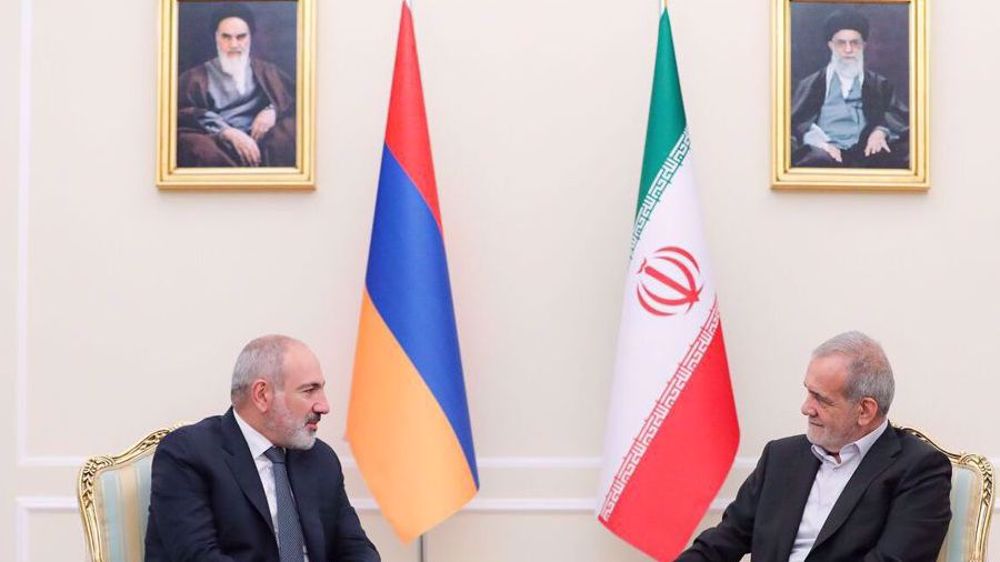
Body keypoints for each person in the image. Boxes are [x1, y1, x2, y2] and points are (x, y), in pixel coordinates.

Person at [677, 331, 951, 561]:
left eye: (822, 399)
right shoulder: (780, 458)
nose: (806, 408)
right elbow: (721, 543)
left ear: (865, 410)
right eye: (808, 391)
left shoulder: (919, 470)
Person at [145, 335, 380, 561]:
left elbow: (357, 549)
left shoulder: (320, 459)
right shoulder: (187, 454)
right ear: (262, 394)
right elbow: (197, 557)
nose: (324, 406)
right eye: (309, 391)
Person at [177, 4, 296, 168]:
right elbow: (182, 112)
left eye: (241, 37)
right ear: (216, 38)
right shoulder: (194, 77)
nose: (234, 44)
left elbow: (293, 98)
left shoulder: (267, 71)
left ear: (250, 38)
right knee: (198, 149)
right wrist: (227, 132)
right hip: (217, 141)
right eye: (226, 37)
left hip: (261, 139)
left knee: (290, 133)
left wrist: (272, 110)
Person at [790, 9, 909, 169]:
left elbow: (897, 117)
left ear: (863, 46)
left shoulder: (879, 84)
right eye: (841, 43)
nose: (848, 50)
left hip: (866, 149)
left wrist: (880, 131)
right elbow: (797, 123)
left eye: (854, 43)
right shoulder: (811, 83)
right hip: (824, 150)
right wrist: (820, 143)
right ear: (831, 45)